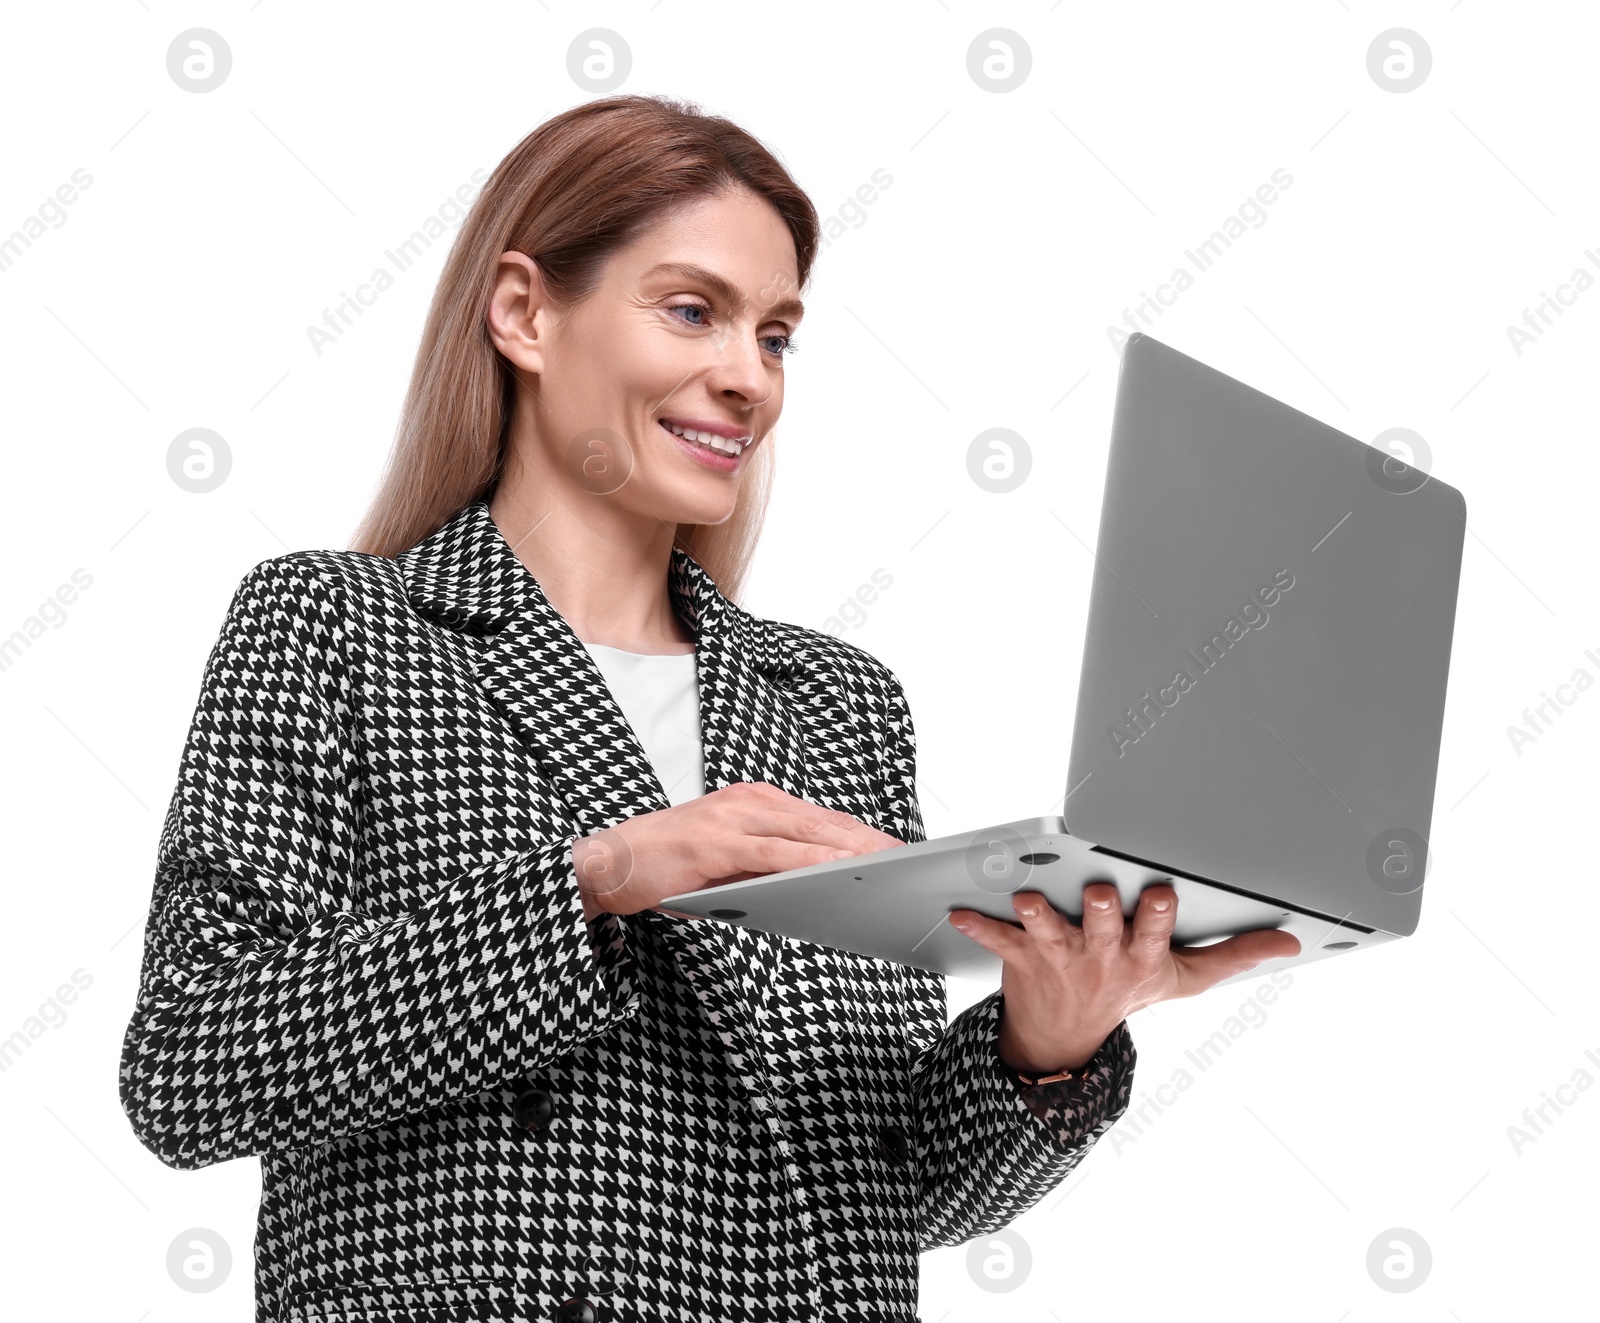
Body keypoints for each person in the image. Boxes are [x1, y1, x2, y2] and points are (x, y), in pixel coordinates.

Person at [118, 94, 1300, 1322]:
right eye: (693, 311)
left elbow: (891, 1191)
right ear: (524, 312)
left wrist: (1044, 1041)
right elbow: (192, 1071)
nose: (747, 379)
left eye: (776, 335)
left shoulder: (836, 701)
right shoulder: (339, 629)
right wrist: (596, 879)